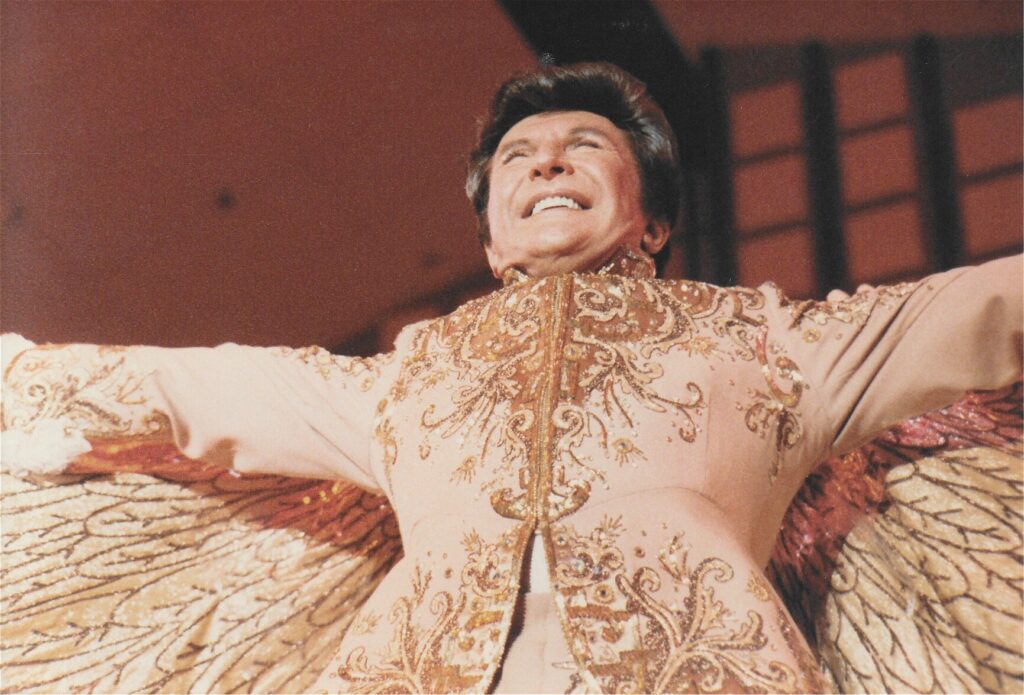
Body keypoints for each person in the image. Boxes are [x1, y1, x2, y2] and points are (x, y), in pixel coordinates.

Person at [1, 62, 1021, 694]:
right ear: (490, 233)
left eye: (585, 144)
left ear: (652, 218)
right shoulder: (410, 380)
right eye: (519, 157)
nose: (546, 163)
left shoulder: (762, 339)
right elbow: (199, 393)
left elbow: (980, 309)